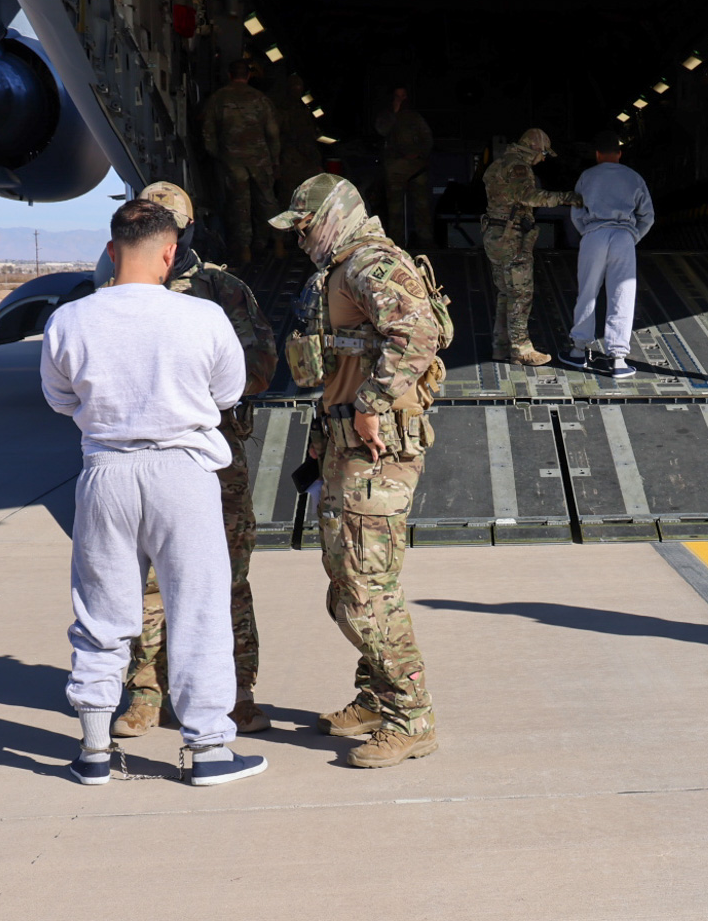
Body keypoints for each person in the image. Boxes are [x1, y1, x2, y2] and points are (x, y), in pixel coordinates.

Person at [41, 198, 267, 787]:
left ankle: (93, 749)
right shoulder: (203, 318)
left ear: (112, 250)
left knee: (101, 610)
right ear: (170, 254)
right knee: (199, 607)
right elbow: (227, 394)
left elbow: (61, 399)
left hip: (106, 474)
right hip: (182, 472)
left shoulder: (70, 320)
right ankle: (209, 749)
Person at [271, 174, 447, 769]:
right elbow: (341, 363)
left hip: (378, 454)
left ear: (335, 214)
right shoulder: (342, 268)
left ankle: (411, 717)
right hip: (345, 445)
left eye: (305, 226)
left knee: (367, 592)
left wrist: (373, 402)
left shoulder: (371, 262)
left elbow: (417, 332)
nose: (300, 240)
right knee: (345, 584)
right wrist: (325, 436)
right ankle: (376, 696)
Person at [89, 183, 278, 740]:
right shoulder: (111, 288)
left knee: (225, 578)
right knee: (142, 584)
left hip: (212, 456)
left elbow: (259, 368)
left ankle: (236, 692)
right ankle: (147, 691)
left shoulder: (221, 290)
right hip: (136, 460)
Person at [482, 128, 580, 366]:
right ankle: (521, 349)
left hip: (494, 234)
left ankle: (500, 346)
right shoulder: (519, 167)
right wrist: (567, 197)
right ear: (534, 149)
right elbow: (528, 196)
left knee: (506, 292)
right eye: (543, 153)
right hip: (511, 236)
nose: (543, 159)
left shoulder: (499, 163)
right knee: (521, 293)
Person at [565, 131, 655, 379]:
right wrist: (632, 236)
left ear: (597, 154)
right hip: (624, 236)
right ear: (619, 154)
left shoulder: (587, 176)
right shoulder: (633, 177)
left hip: (594, 234)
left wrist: (589, 232)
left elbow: (576, 211)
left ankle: (578, 350)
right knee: (622, 294)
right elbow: (648, 216)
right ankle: (617, 359)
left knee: (588, 292)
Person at [199, 58, 283, 267]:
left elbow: (207, 134)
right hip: (260, 160)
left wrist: (220, 156)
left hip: (232, 161)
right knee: (268, 201)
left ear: (229, 75)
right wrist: (275, 161)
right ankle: (279, 243)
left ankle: (245, 250)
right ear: (248, 75)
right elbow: (273, 133)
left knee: (240, 205)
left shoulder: (217, 99)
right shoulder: (260, 99)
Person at [377, 87, 435, 250]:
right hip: (395, 170)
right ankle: (396, 244)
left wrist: (418, 155)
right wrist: (393, 114)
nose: (401, 100)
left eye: (403, 96)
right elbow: (382, 130)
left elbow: (427, 139)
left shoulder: (415, 117)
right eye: (397, 96)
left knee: (422, 207)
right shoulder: (386, 116)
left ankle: (426, 243)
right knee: (395, 210)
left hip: (417, 169)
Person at [273, 73, 325, 197]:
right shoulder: (282, 110)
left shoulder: (304, 109)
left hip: (306, 160)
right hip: (290, 160)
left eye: (299, 87)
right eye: (295, 87)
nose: (297, 89)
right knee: (289, 197)